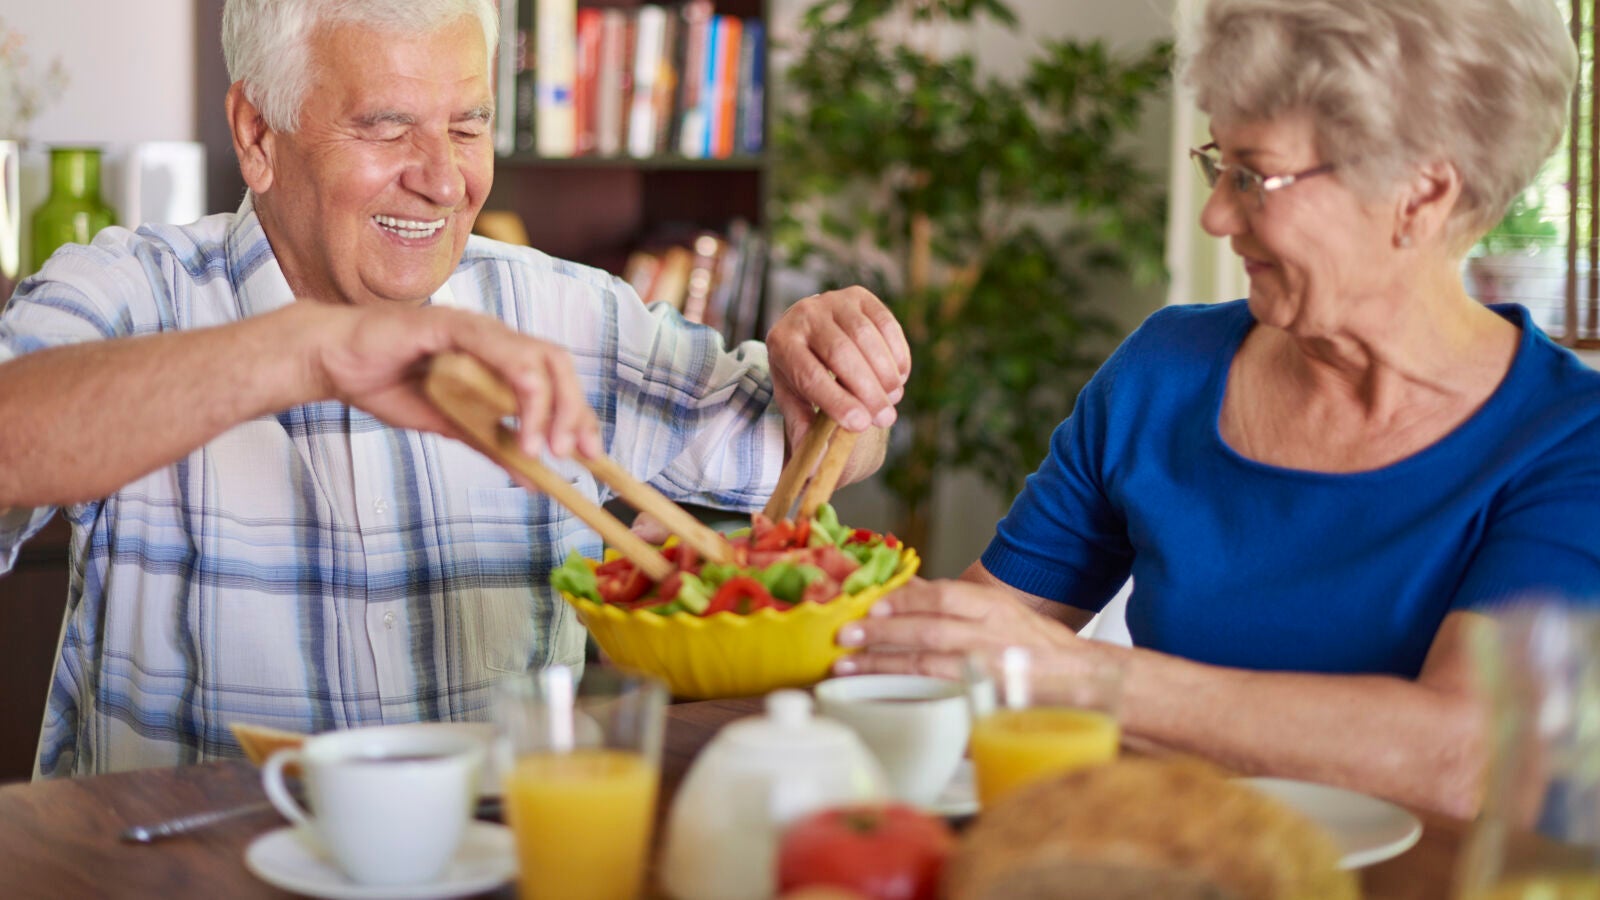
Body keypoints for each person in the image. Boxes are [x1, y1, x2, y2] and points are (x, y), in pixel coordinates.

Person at [0, 0, 909, 778]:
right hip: (194, 873)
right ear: (255, 134)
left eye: (467, 124)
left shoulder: (563, 310)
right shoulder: (130, 289)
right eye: (385, 125)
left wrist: (836, 377)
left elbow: (820, 452)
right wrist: (307, 352)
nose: (442, 179)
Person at [835, 0, 1597, 818]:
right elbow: (976, 634)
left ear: (1422, 195)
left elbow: (1467, 757)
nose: (1216, 216)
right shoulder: (1166, 370)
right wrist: (814, 465)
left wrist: (1082, 677)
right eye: (1217, 163)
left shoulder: (1569, 439)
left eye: (1253, 175)